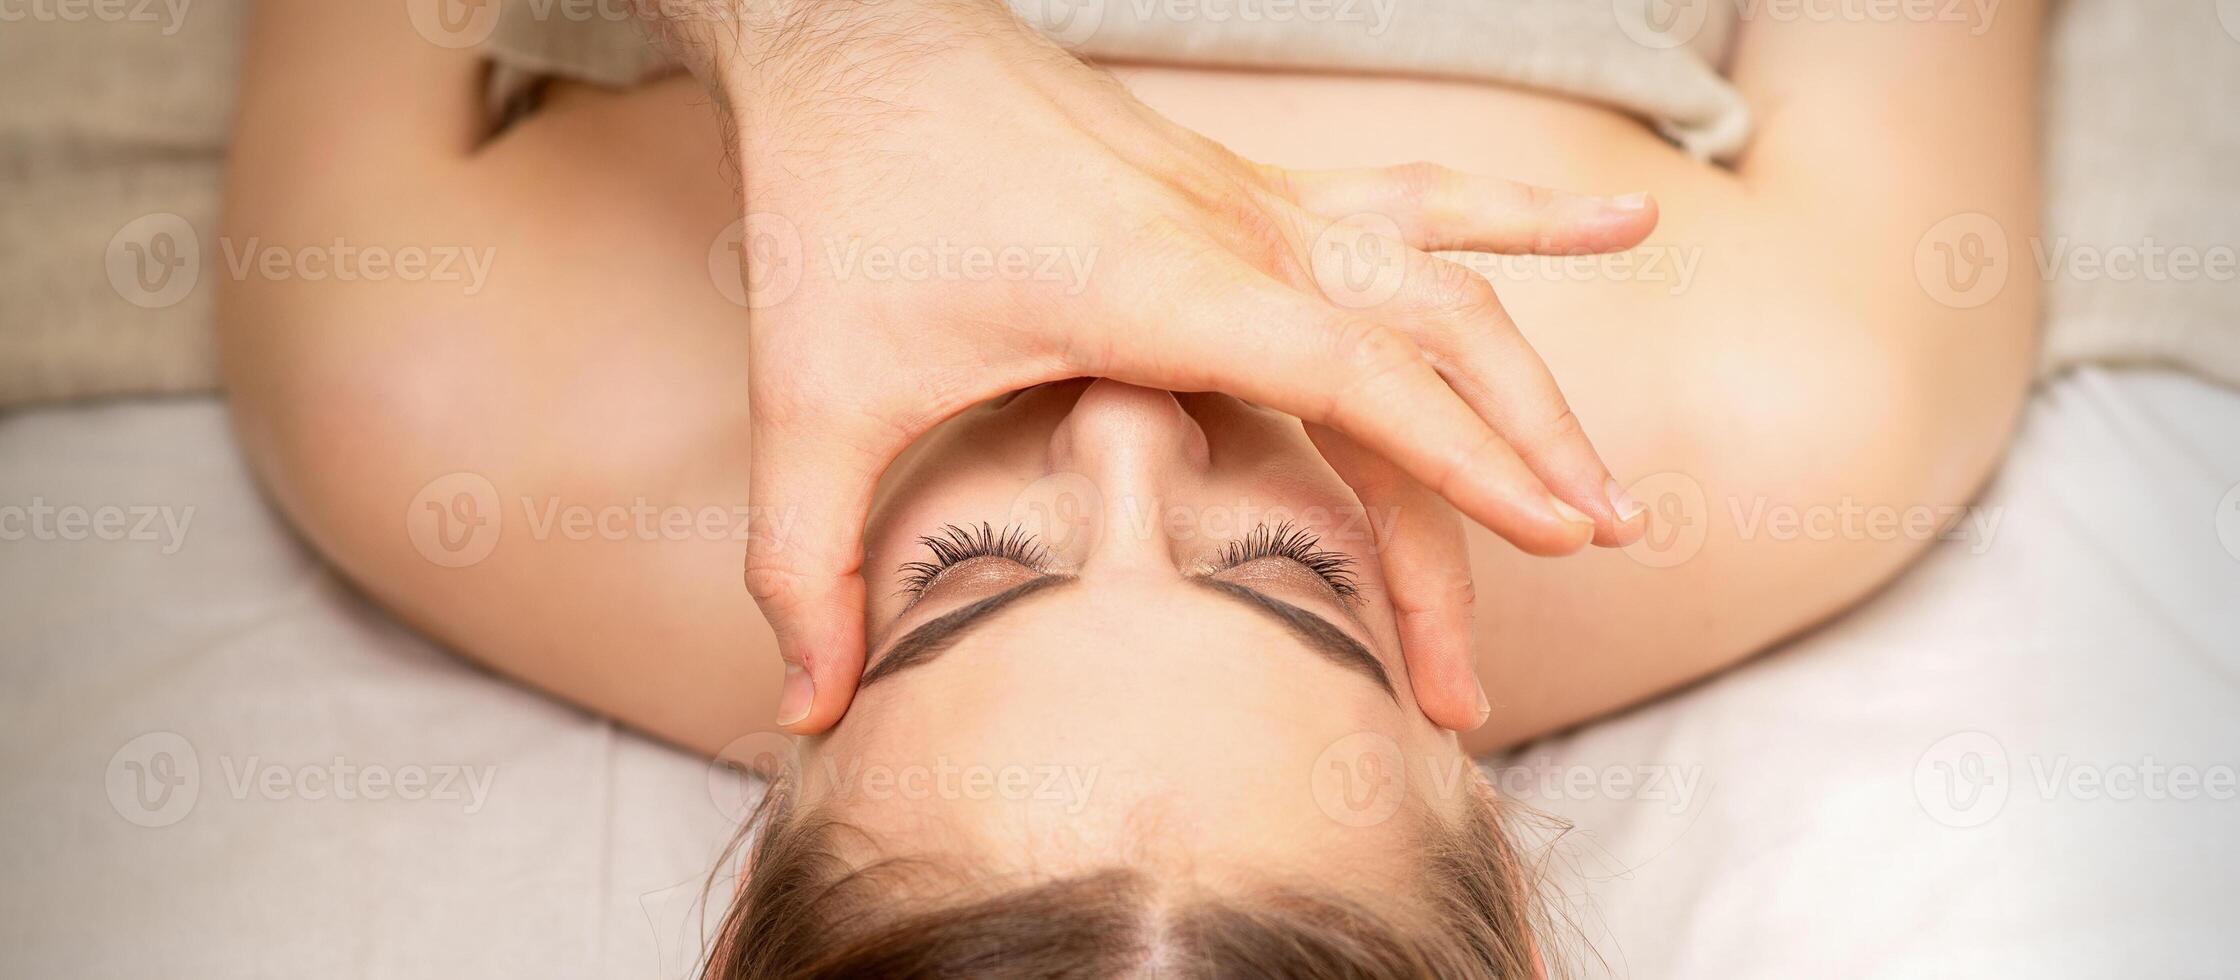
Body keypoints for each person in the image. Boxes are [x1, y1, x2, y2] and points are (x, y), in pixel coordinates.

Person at [218, 0, 2044, 973]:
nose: (1137, 420)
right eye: (1287, 573)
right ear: (1483, 828)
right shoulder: (1801, 404)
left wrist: (834, 45)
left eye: (966, 574)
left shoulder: (429, 388)